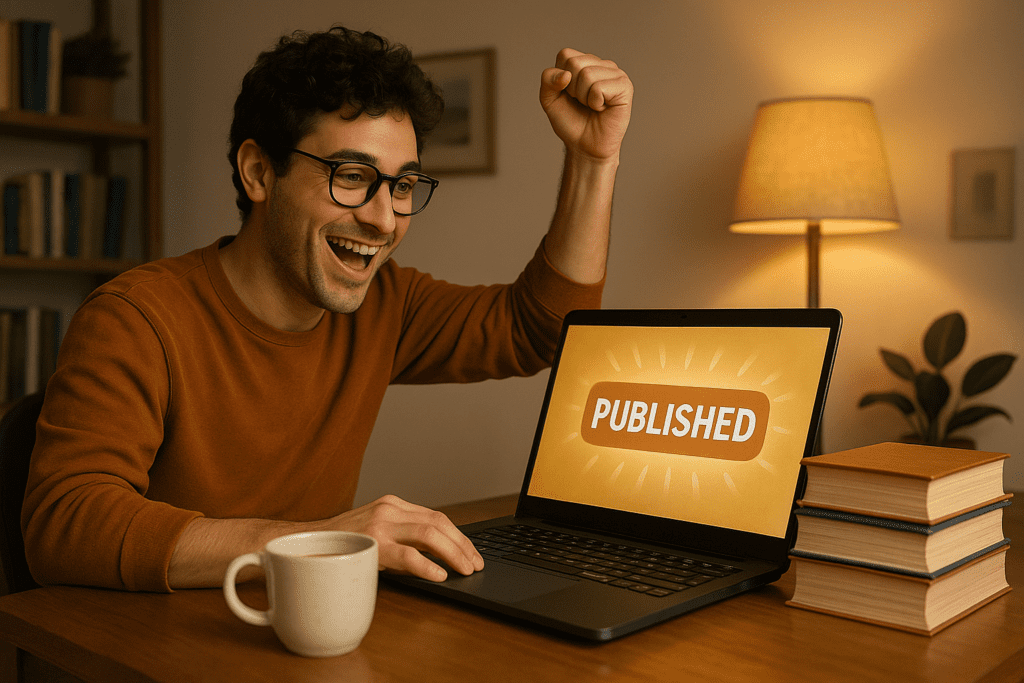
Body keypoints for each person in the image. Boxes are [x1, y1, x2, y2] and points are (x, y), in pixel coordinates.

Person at [21, 26, 633, 592]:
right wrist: (317, 543)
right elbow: (65, 524)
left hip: (305, 635)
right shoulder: (134, 318)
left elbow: (541, 331)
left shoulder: (385, 305)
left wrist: (593, 161)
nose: (383, 219)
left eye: (401, 185)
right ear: (259, 172)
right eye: (352, 175)